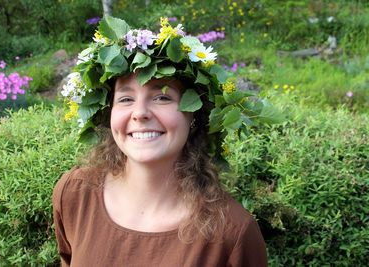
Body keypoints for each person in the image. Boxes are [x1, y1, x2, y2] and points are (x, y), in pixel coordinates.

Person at [54, 16, 269, 267]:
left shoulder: (232, 233)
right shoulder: (74, 195)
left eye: (162, 98)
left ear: (195, 116)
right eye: (125, 99)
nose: (140, 112)